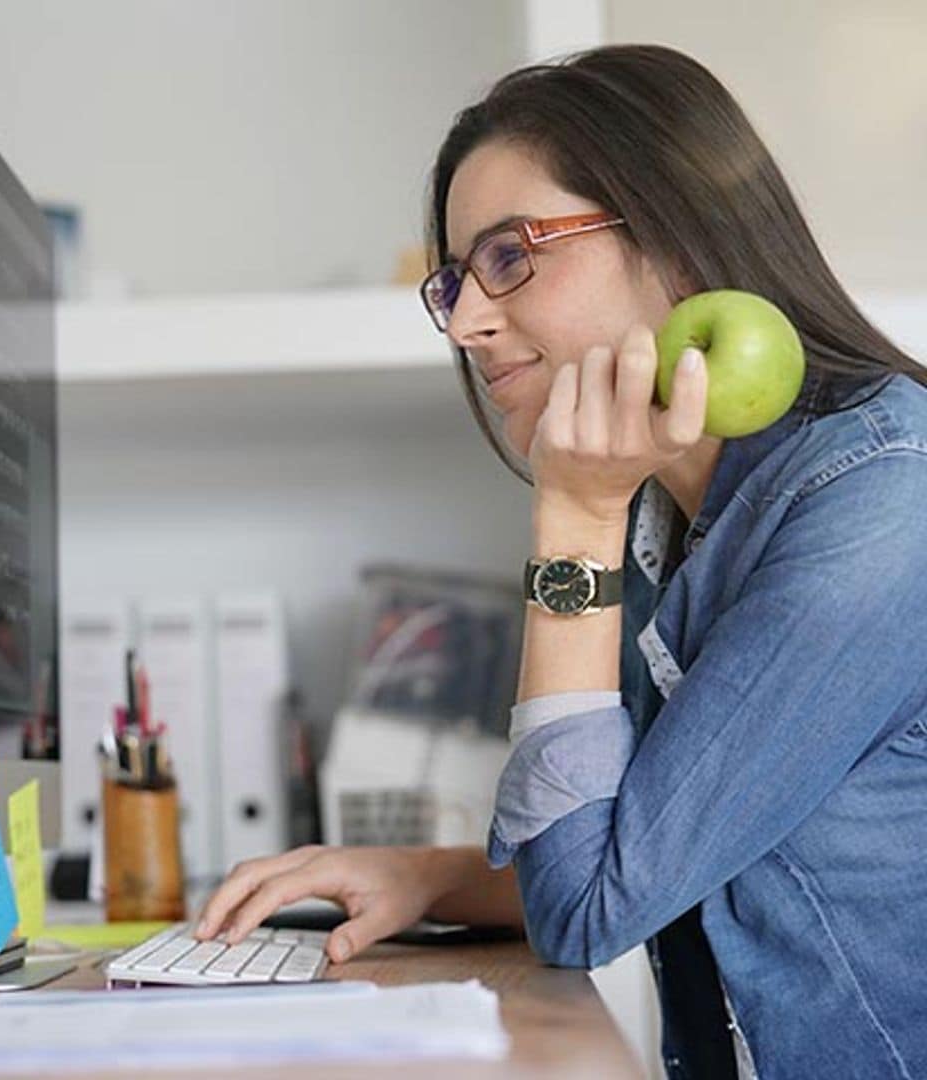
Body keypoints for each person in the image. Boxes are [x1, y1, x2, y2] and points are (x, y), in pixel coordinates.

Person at [197, 45, 927, 1078]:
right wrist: (424, 876)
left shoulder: (884, 505)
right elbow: (626, 844)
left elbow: (590, 910)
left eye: (511, 255)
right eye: (454, 282)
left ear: (677, 236)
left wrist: (575, 522)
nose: (466, 323)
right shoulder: (674, 516)